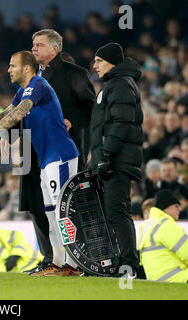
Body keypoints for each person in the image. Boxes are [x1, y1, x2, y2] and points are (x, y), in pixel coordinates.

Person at [0, 51, 80, 276]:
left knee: (62, 211)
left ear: (27, 68)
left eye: (12, 66)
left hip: (60, 156)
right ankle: (57, 262)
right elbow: (7, 112)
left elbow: (19, 112)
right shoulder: (21, 91)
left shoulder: (39, 85)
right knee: (50, 212)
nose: (8, 70)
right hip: (47, 159)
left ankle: (73, 264)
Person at [90, 42, 144, 277]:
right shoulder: (113, 84)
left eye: (99, 61)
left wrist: (107, 155)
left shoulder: (120, 84)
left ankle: (129, 266)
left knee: (117, 211)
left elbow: (122, 123)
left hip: (117, 161)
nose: (95, 65)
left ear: (112, 62)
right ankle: (121, 263)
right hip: (112, 159)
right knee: (113, 212)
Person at [32, 29, 95, 171]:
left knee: (66, 193)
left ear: (54, 49)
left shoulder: (75, 73)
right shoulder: (30, 75)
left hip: (65, 147)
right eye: (33, 45)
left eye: (39, 45)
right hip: (37, 150)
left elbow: (90, 108)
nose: (34, 48)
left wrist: (71, 121)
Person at [137, 190, 188, 283]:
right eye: (176, 206)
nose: (180, 209)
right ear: (166, 208)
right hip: (177, 278)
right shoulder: (166, 225)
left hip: (156, 279)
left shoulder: (146, 226)